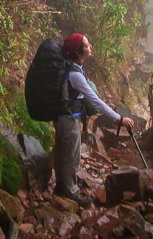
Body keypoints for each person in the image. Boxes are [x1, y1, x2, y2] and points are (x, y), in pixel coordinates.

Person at [53, 33, 134, 202]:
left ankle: (62, 188)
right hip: (68, 120)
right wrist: (118, 119)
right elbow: (96, 101)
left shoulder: (72, 68)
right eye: (87, 45)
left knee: (65, 154)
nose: (90, 47)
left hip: (65, 118)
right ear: (78, 51)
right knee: (71, 156)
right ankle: (72, 194)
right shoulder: (75, 75)